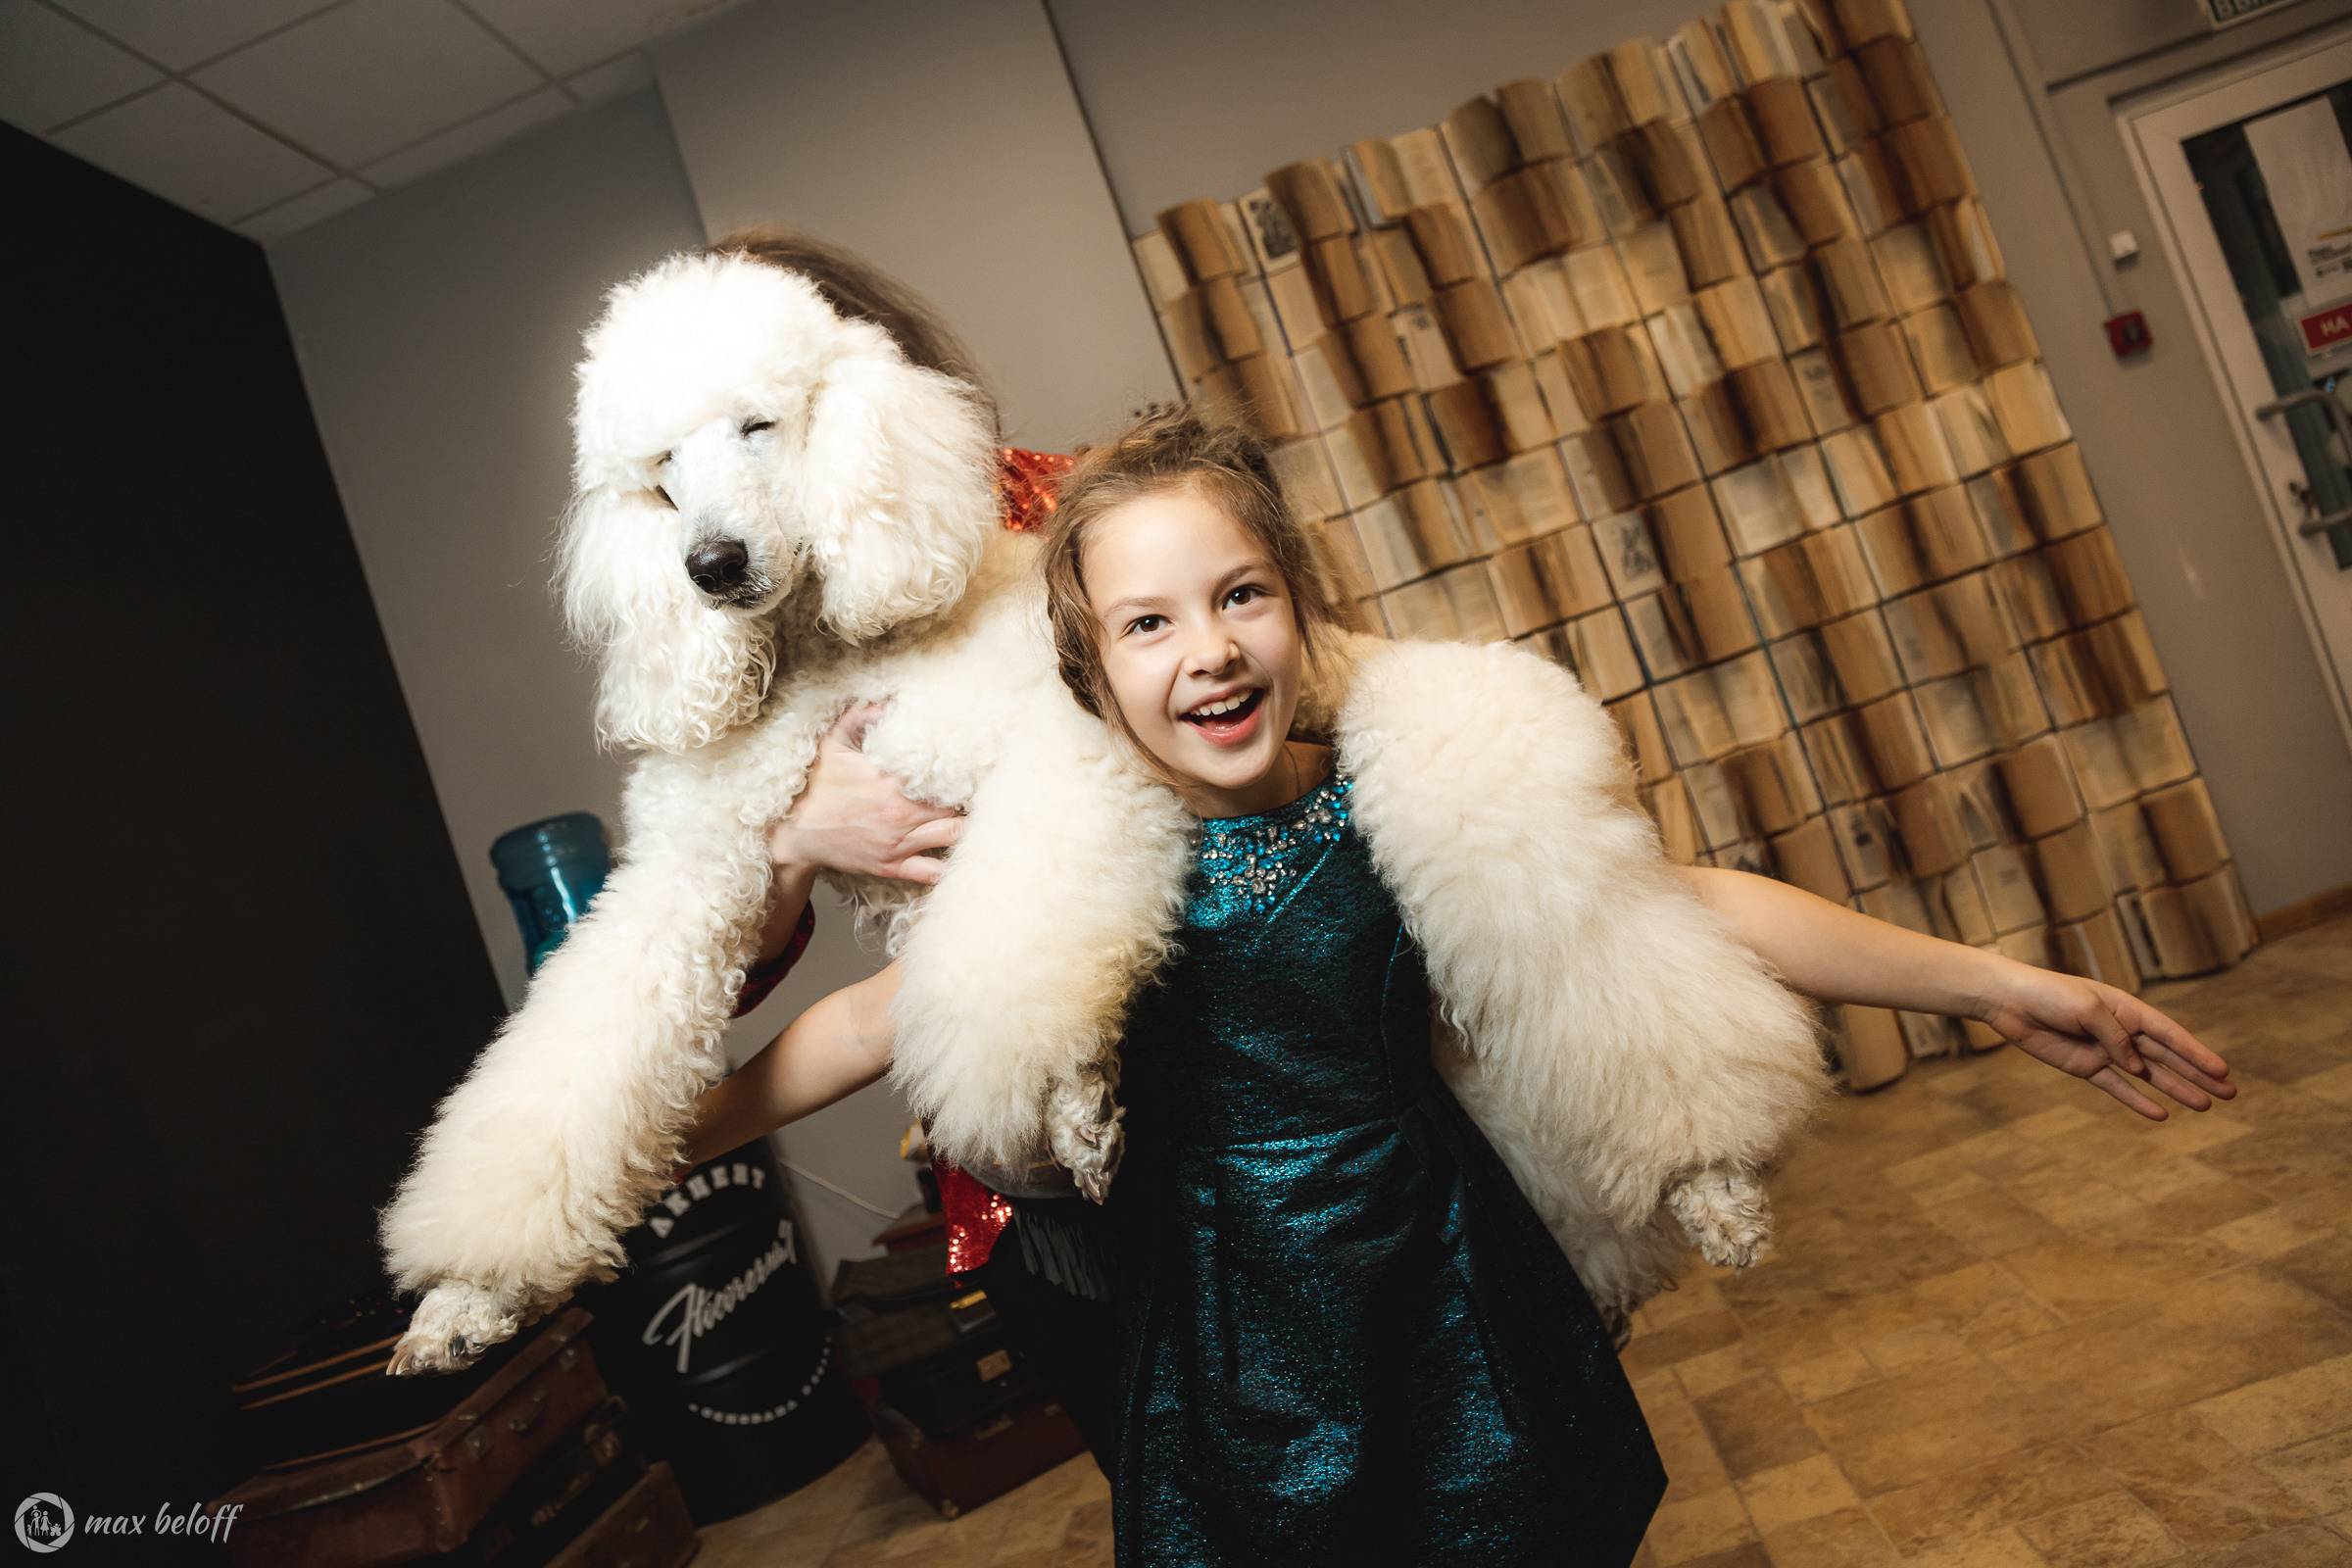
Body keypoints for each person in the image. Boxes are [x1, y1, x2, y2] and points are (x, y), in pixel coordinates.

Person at [685, 408, 2233, 1563]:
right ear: (1090, 672)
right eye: (1148, 624)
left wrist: (1990, 985)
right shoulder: (1076, 863)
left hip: (1449, 1290)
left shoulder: (1394, 796)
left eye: (1241, 597)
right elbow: (863, 1024)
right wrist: (644, 1152)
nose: (1208, 653)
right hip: (1235, 1347)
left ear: (1297, 605)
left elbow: (1674, 903)